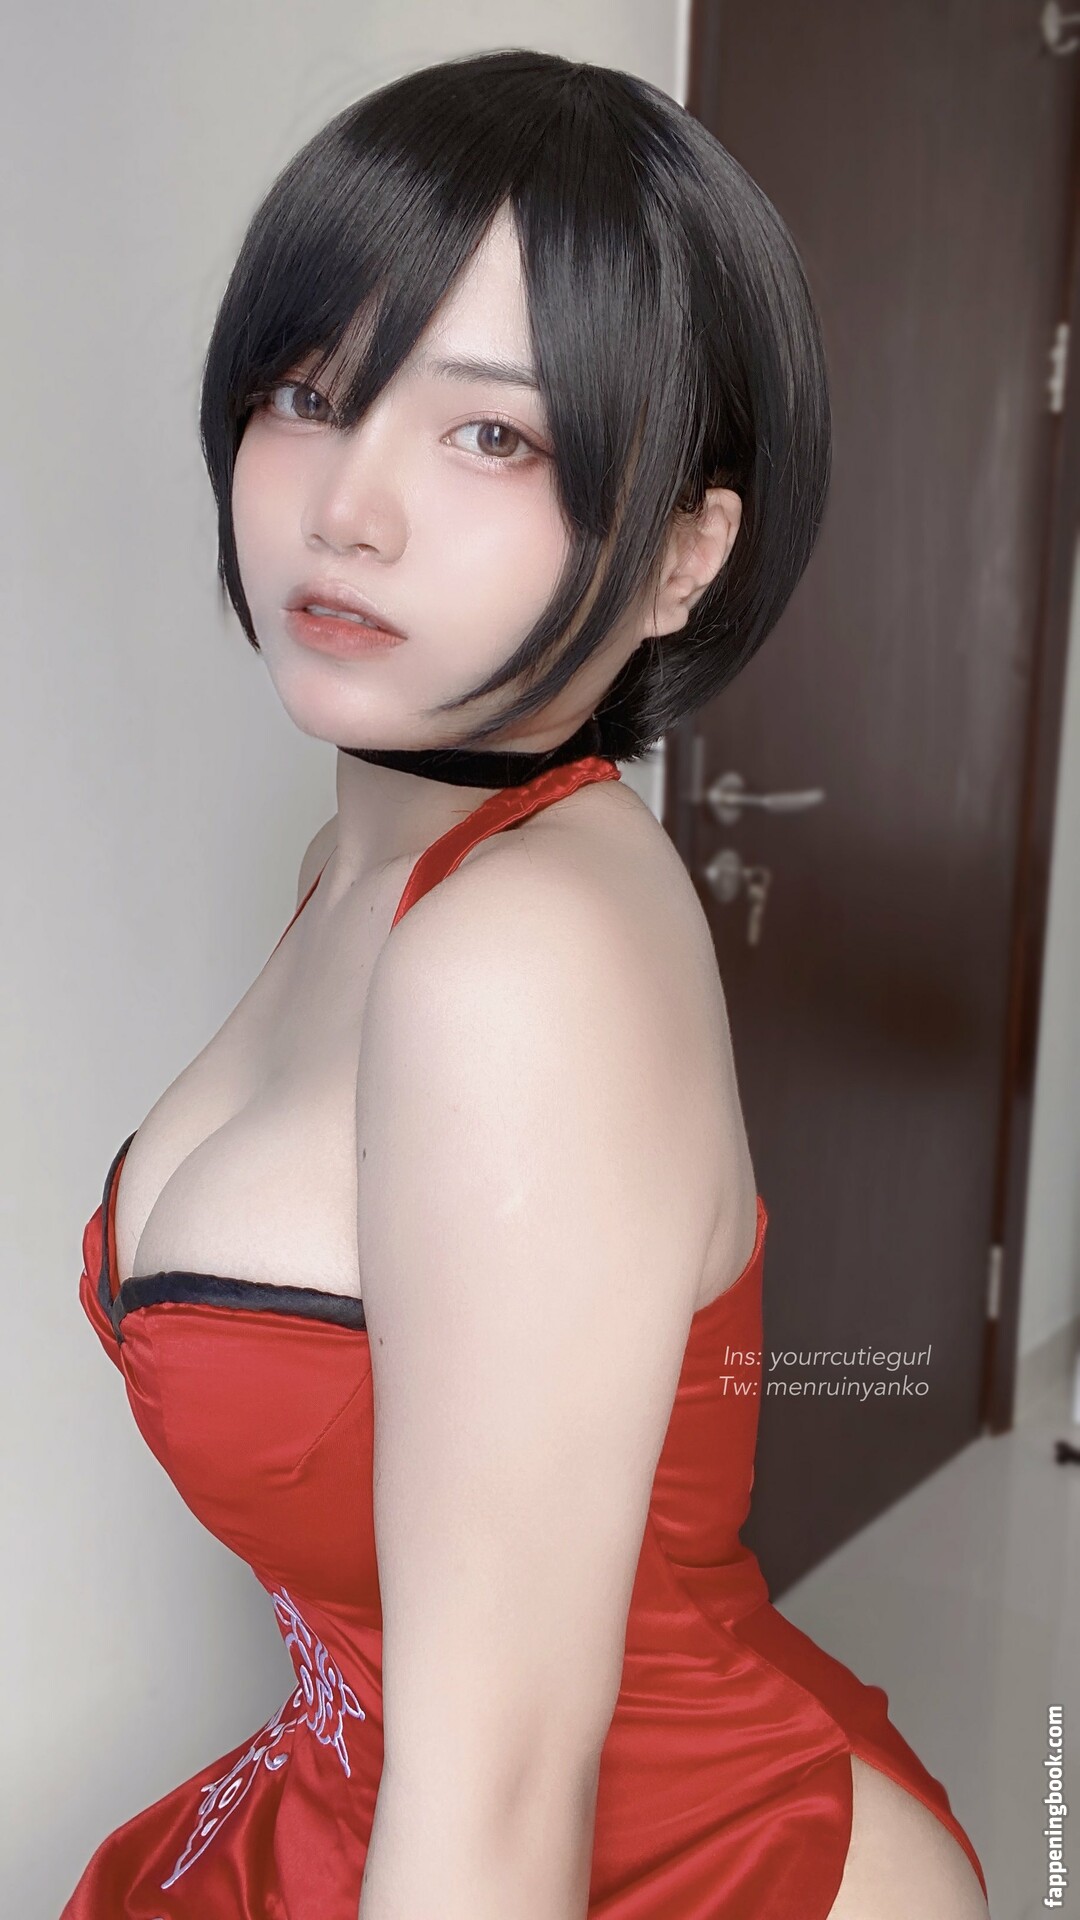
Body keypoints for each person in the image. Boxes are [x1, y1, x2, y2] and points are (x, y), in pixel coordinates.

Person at [62, 48, 991, 1920]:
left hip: (659, 1868)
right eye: (309, 392)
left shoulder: (521, 955)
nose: (348, 508)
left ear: (682, 555)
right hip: (369, 1806)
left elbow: (495, 1794)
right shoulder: (362, 868)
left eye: (492, 437)